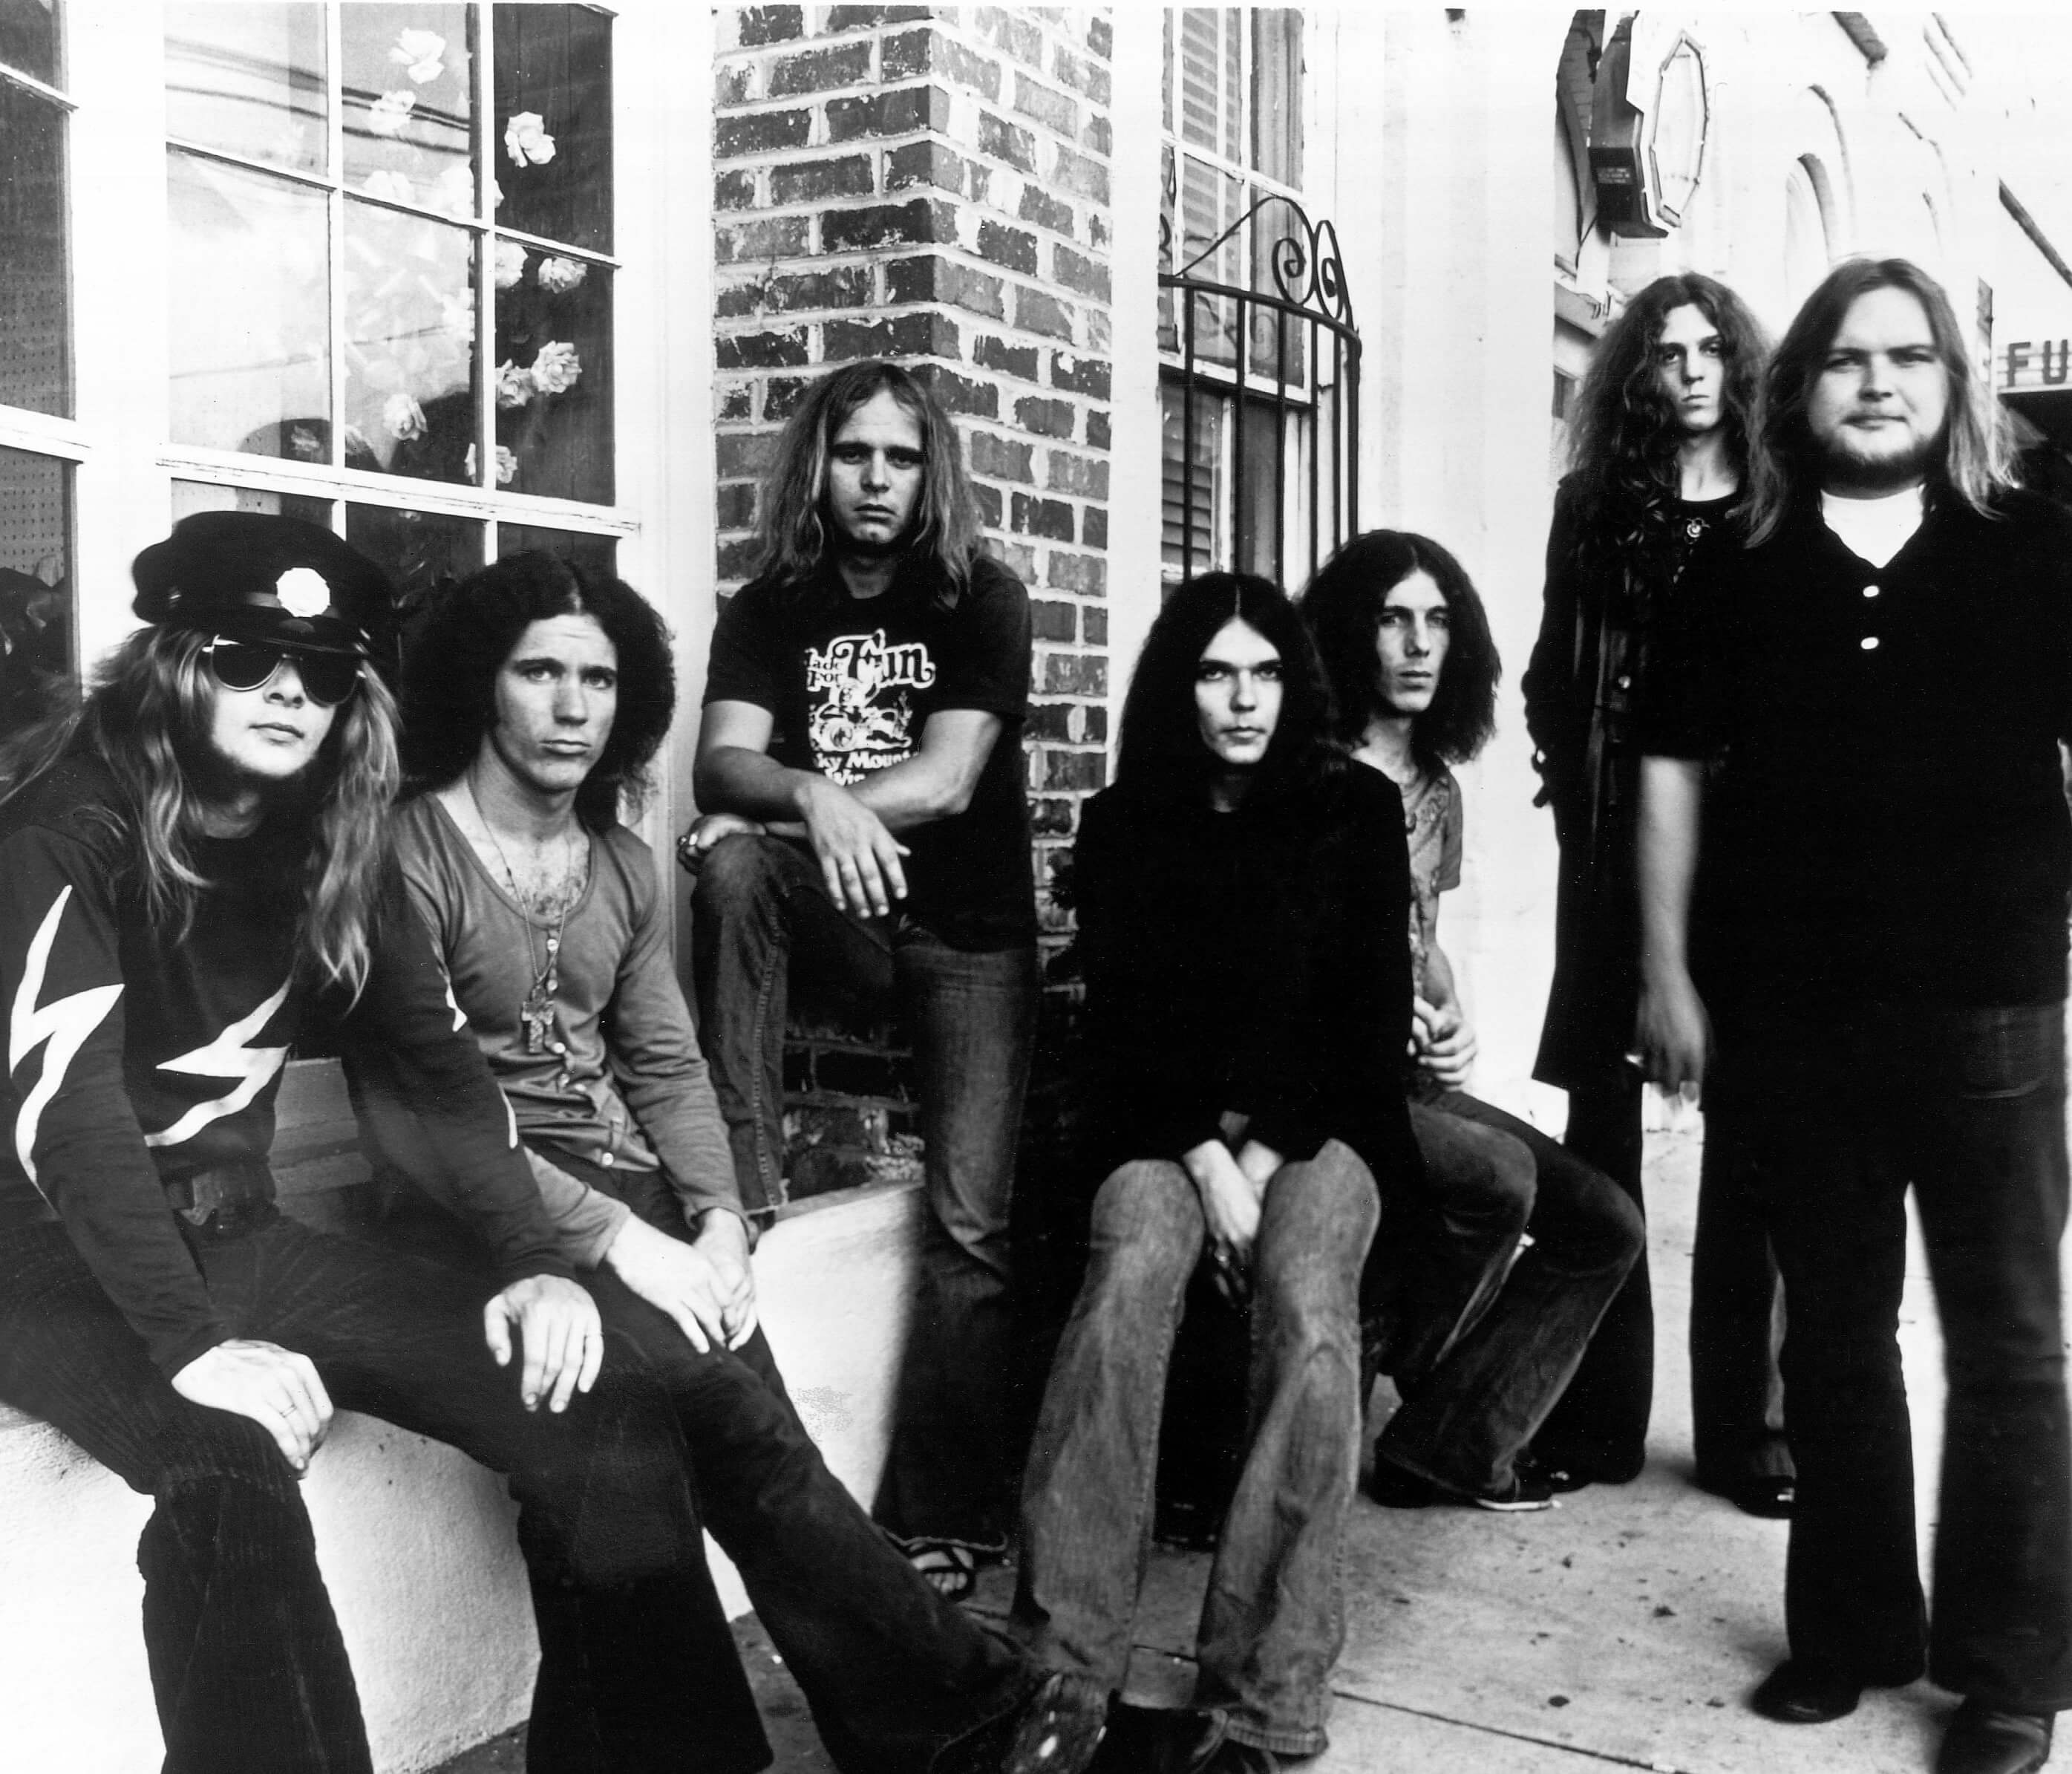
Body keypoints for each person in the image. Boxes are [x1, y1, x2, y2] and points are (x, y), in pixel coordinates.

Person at [0, 512, 733, 1773]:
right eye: (246, 659)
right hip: (44, 1262)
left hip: (236, 1233)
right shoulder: (66, 826)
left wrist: (532, 1258)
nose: (290, 692)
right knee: (228, 1470)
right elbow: (68, 1114)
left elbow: (435, 1067)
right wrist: (193, 1345)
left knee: (604, 1400)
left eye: (324, 670)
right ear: (172, 663)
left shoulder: (334, 833)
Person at [367, 550, 1108, 1774]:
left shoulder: (616, 860)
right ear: (480, 684)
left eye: (600, 679)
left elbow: (664, 1060)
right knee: (739, 1437)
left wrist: (714, 1214)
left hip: (631, 1197)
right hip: (480, 1222)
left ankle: (898, 1733)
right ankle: (969, 1712)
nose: (572, 707)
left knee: (766, 1444)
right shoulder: (410, 855)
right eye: (539, 672)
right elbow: (433, 1126)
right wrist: (631, 1243)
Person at [1636, 257, 2072, 1774]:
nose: (1878, 382)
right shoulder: (1735, 566)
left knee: (2010, 1339)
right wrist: (1667, 972)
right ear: (1800, 386)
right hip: (1794, 1013)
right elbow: (1669, 771)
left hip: (1992, 1007)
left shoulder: (2034, 547)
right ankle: (1851, 1628)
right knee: (1830, 1331)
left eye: (1909, 356)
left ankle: (2011, 1673)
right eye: (1846, 358)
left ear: (1953, 383)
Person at [1011, 573, 1416, 1771]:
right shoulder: (1126, 821)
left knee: (1307, 1301)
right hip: (1162, 1127)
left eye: (1266, 673)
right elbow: (1125, 1030)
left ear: (1297, 686)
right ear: (1177, 687)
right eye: (1215, 672)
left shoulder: (1357, 809)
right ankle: (1064, 1670)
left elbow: (1366, 1026)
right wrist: (1204, 1158)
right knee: (1130, 1270)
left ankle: (1264, 1695)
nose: (1244, 699)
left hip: (1322, 1126)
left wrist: (1259, 1156)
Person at [679, 360, 1037, 1595]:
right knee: (730, 871)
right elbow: (721, 764)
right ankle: (740, 1183)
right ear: (816, 467)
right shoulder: (770, 607)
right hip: (843, 918)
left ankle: (950, 1514)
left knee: (972, 1220)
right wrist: (806, 800)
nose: (876, 480)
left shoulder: (981, 594)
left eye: (900, 457)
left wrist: (789, 810)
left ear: (930, 471)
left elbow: (947, 780)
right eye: (853, 455)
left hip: (970, 933)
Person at [1521, 272, 1791, 1509]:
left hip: (1750, 859)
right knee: (1605, 1138)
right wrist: (1580, 788)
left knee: (1755, 1134)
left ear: (1739, 366)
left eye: (1709, 349)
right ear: (1637, 371)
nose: (1689, 370)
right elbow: (1549, 673)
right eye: (1667, 351)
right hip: (1610, 849)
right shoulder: (1592, 507)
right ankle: (1599, 1422)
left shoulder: (1780, 509)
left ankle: (1751, 1432)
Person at [1302, 530, 1641, 1510]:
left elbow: (1424, 940)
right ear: (1350, 633)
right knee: (1498, 1178)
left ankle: (1447, 1443)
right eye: (1393, 619)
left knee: (1604, 1223)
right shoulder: (1304, 774)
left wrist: (1451, 1009)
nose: (1418, 644)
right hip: (1327, 1081)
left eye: (1438, 621)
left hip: (1413, 1078)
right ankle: (1386, 1364)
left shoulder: (1437, 791)